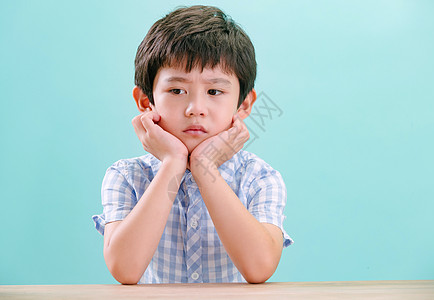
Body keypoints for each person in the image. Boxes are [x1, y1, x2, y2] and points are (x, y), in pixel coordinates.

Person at [92, 5, 293, 285]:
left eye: (214, 91)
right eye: (177, 90)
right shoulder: (127, 176)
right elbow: (124, 269)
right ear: (145, 101)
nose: (195, 108)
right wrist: (173, 163)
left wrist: (204, 166)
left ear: (244, 104)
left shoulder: (259, 178)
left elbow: (259, 268)